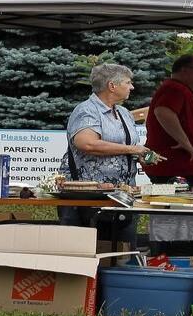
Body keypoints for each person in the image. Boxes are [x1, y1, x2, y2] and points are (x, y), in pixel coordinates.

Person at [60, 64, 154, 242]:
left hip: (122, 197)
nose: (132, 87)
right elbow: (86, 143)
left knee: (122, 255)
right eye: (128, 82)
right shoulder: (87, 110)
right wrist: (132, 149)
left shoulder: (124, 113)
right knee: (88, 255)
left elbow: (125, 147)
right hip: (89, 200)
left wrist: (141, 156)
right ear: (112, 86)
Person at [143, 55, 193, 190]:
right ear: (185, 70)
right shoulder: (175, 88)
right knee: (190, 209)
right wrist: (186, 143)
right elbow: (163, 111)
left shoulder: (177, 88)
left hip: (174, 166)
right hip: (175, 167)